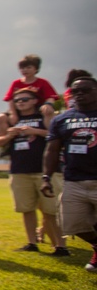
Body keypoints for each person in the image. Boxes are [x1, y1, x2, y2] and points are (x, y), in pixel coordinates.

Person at [0, 89, 67, 255]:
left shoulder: (44, 117)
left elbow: (60, 137)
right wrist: (8, 136)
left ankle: (61, 246)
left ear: (34, 101)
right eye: (17, 100)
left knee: (52, 210)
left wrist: (35, 132)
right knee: (26, 209)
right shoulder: (11, 120)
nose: (20, 102)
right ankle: (32, 243)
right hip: (20, 171)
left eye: (25, 99)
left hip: (46, 171)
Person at [42, 76, 97, 270]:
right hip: (74, 180)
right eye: (75, 91)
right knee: (72, 224)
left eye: (85, 90)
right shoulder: (61, 119)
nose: (79, 94)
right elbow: (52, 150)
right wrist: (46, 177)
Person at [1, 54, 59, 128]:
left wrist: (48, 104)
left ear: (36, 69)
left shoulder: (43, 82)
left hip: (38, 108)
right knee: (1, 117)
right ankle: (4, 134)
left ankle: (50, 131)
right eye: (22, 68)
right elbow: (10, 99)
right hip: (19, 108)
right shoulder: (16, 83)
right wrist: (13, 113)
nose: (25, 70)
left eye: (28, 67)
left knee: (49, 111)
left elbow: (50, 97)